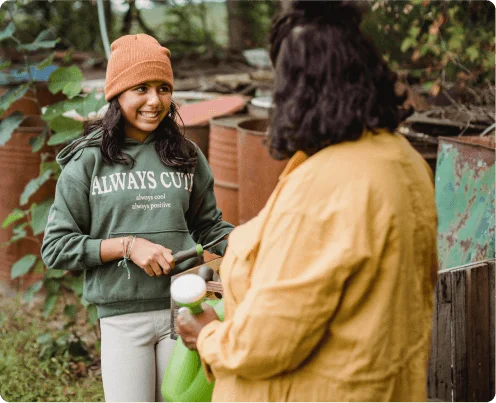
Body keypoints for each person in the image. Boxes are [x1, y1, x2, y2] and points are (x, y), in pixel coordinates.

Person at [176, 1, 438, 401]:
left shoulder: (327, 185)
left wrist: (208, 337)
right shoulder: (406, 160)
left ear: (299, 90)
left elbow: (272, 338)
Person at [41, 33, 234, 402]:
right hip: (122, 318)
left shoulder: (187, 155)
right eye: (140, 88)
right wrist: (128, 246)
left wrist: (254, 243)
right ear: (117, 94)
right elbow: (56, 247)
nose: (154, 100)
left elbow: (209, 227)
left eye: (163, 88)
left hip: (185, 313)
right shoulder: (88, 161)